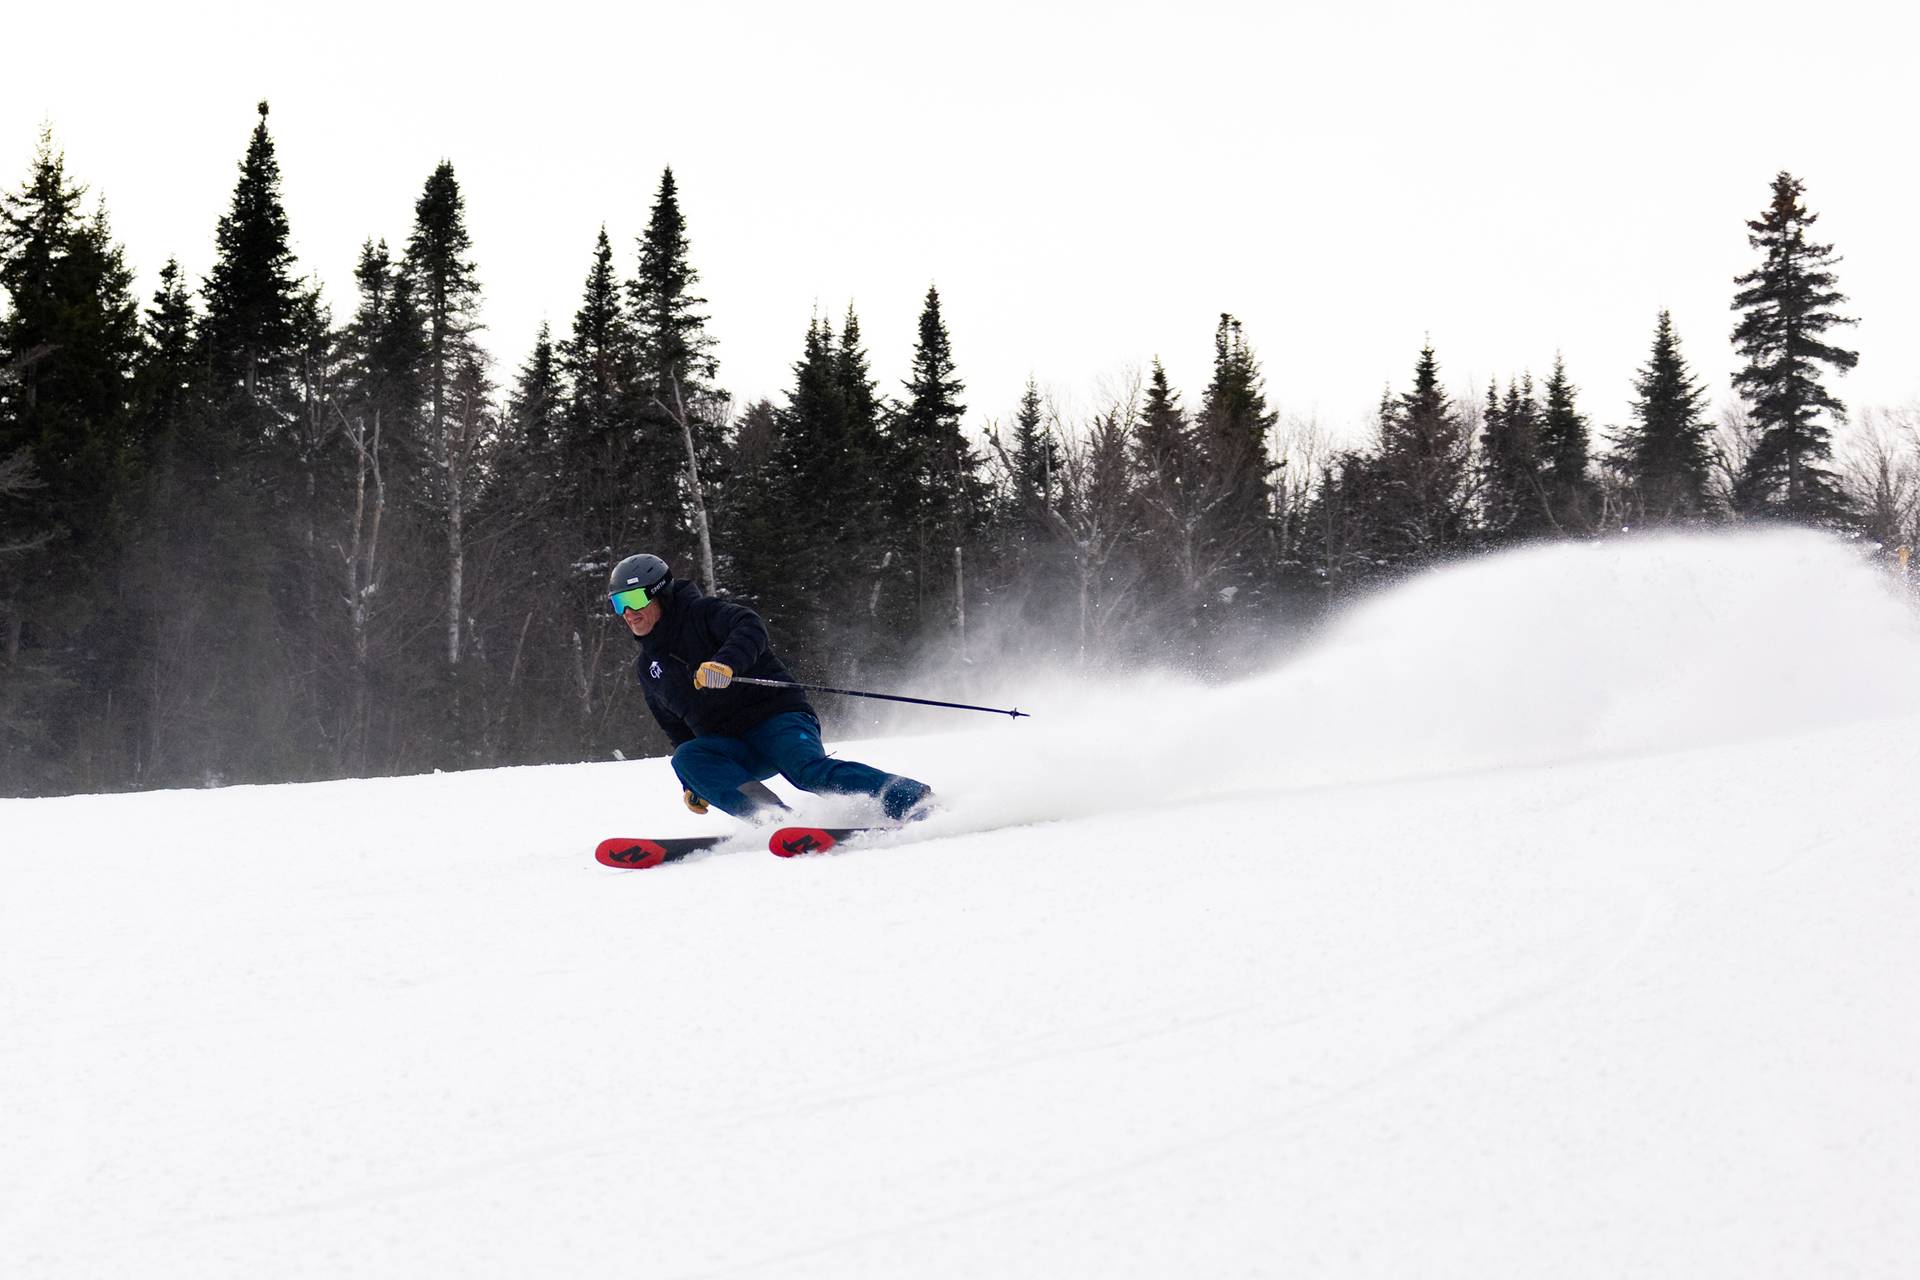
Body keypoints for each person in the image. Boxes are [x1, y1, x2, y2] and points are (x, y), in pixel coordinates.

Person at [609, 552, 933, 823]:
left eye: (634, 599)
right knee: (686, 757)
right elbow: (677, 729)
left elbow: (749, 626)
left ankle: (913, 800)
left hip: (777, 718)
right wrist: (691, 783)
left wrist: (726, 663)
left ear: (661, 594)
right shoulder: (648, 669)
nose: (627, 612)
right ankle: (774, 819)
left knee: (806, 772)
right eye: (618, 603)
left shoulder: (704, 614)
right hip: (733, 745)